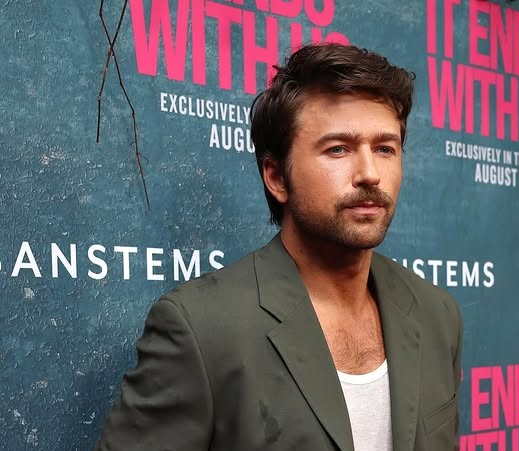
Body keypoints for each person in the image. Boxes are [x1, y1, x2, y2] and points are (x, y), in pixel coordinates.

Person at [95, 43, 462, 451]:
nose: (370, 173)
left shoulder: (436, 315)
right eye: (338, 149)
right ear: (277, 177)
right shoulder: (201, 329)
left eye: (384, 149)